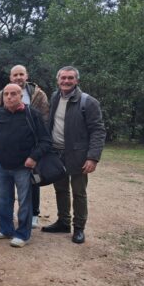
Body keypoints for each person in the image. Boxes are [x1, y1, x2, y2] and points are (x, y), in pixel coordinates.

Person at [42, 66, 105, 244]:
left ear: (76, 80)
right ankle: (63, 222)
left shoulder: (88, 102)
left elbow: (98, 130)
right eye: (63, 78)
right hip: (56, 154)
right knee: (60, 189)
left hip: (78, 156)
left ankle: (79, 228)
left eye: (70, 78)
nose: (66, 81)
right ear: (58, 80)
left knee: (79, 192)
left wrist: (93, 157)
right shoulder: (54, 97)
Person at [0, 84, 51, 247]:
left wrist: (33, 157)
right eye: (6, 94)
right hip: (2, 165)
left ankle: (22, 234)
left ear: (21, 96)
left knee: (25, 201)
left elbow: (46, 141)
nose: (9, 97)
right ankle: (5, 229)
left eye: (13, 94)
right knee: (2, 199)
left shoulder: (32, 114)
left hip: (24, 167)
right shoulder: (0, 113)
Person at [0, 65, 50, 228]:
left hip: (29, 153)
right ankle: (8, 223)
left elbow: (45, 121)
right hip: (6, 156)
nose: (18, 77)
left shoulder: (38, 95)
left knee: (29, 189)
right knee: (5, 192)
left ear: (26, 76)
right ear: (10, 77)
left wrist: (36, 154)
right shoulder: (2, 95)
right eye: (15, 75)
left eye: (21, 74)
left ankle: (32, 216)